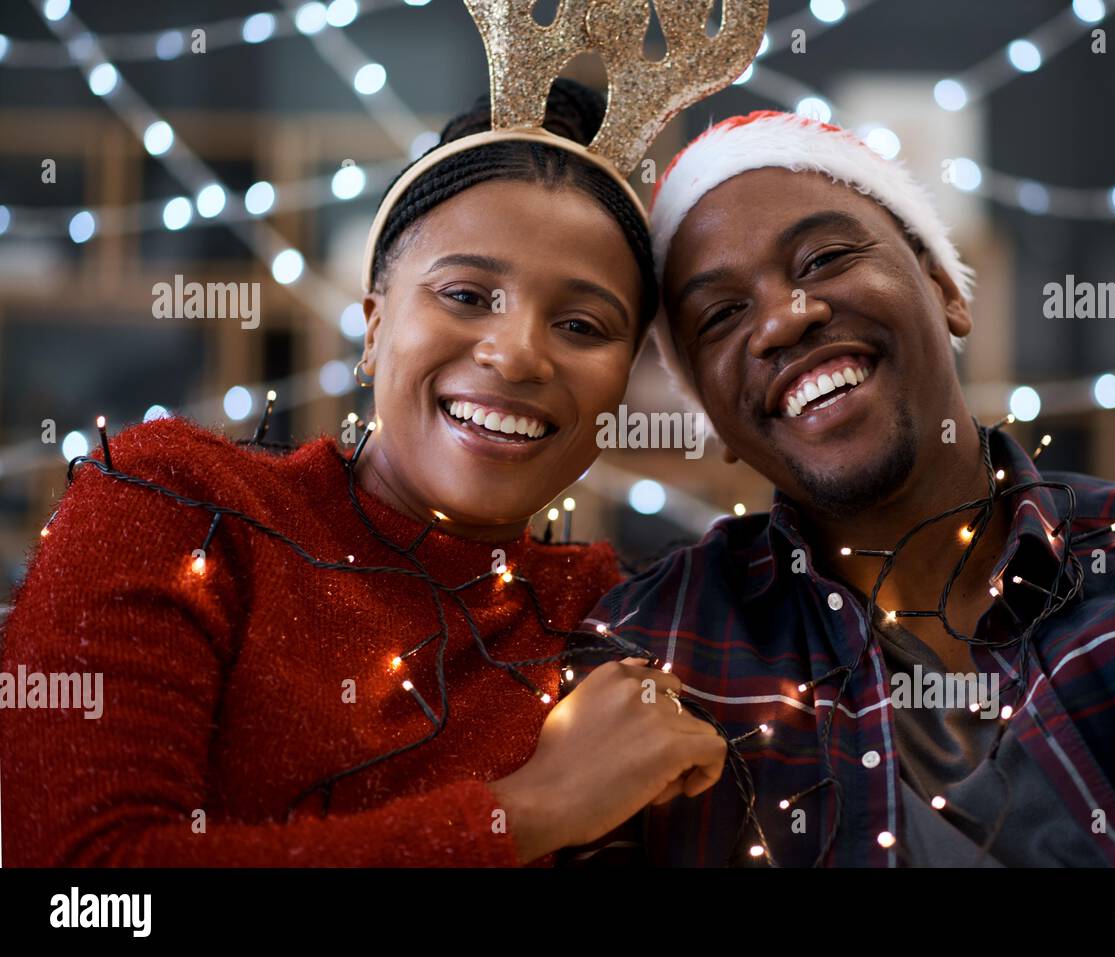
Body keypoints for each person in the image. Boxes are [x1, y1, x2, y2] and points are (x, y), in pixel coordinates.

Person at [0, 81, 726, 867]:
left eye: (582, 325)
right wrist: (520, 814)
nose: (518, 354)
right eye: (467, 294)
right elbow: (84, 891)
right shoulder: (176, 503)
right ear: (375, 327)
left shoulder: (609, 616)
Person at [578, 110, 1115, 866]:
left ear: (944, 288)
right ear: (715, 420)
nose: (784, 322)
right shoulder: (647, 651)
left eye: (822, 259)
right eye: (722, 314)